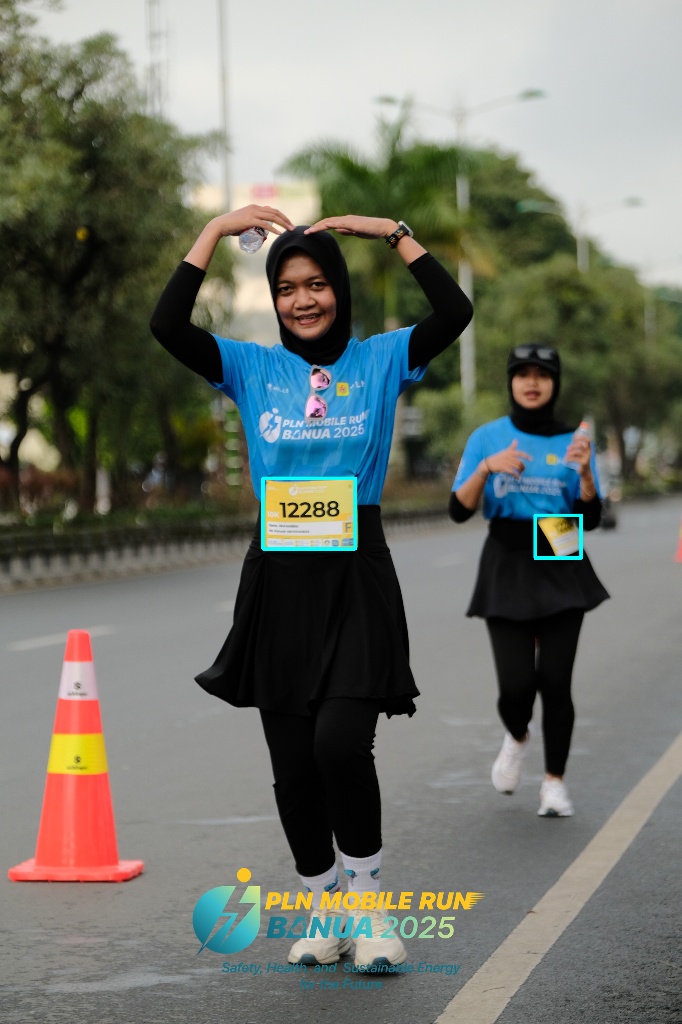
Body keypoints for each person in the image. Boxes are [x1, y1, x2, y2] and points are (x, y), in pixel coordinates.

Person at [150, 205, 473, 968]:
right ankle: (325, 906)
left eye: (317, 284)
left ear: (339, 289)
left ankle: (369, 907)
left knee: (340, 745)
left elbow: (454, 311)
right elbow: (168, 325)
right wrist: (214, 231)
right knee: (294, 768)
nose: (303, 300)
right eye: (287, 288)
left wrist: (392, 233)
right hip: (279, 580)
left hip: (356, 575)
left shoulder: (383, 359)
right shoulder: (249, 367)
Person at [448, 345, 609, 818]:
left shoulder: (575, 440)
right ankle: (517, 735)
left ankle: (554, 783)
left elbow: (591, 517)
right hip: (507, 559)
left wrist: (584, 474)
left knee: (556, 681)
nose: (532, 382)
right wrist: (486, 467)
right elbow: (458, 510)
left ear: (555, 383)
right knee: (516, 687)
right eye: (523, 374)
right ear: (511, 382)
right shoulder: (488, 437)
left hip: (560, 550)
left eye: (543, 374)